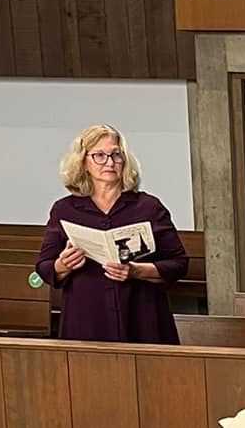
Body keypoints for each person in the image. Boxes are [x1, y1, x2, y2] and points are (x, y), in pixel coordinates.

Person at [36, 124, 188, 345]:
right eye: (99, 155)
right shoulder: (64, 209)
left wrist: (136, 271)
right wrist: (63, 265)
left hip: (141, 317)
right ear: (83, 162)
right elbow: (44, 266)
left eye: (115, 154)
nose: (109, 162)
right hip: (87, 319)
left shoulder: (148, 207)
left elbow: (179, 263)